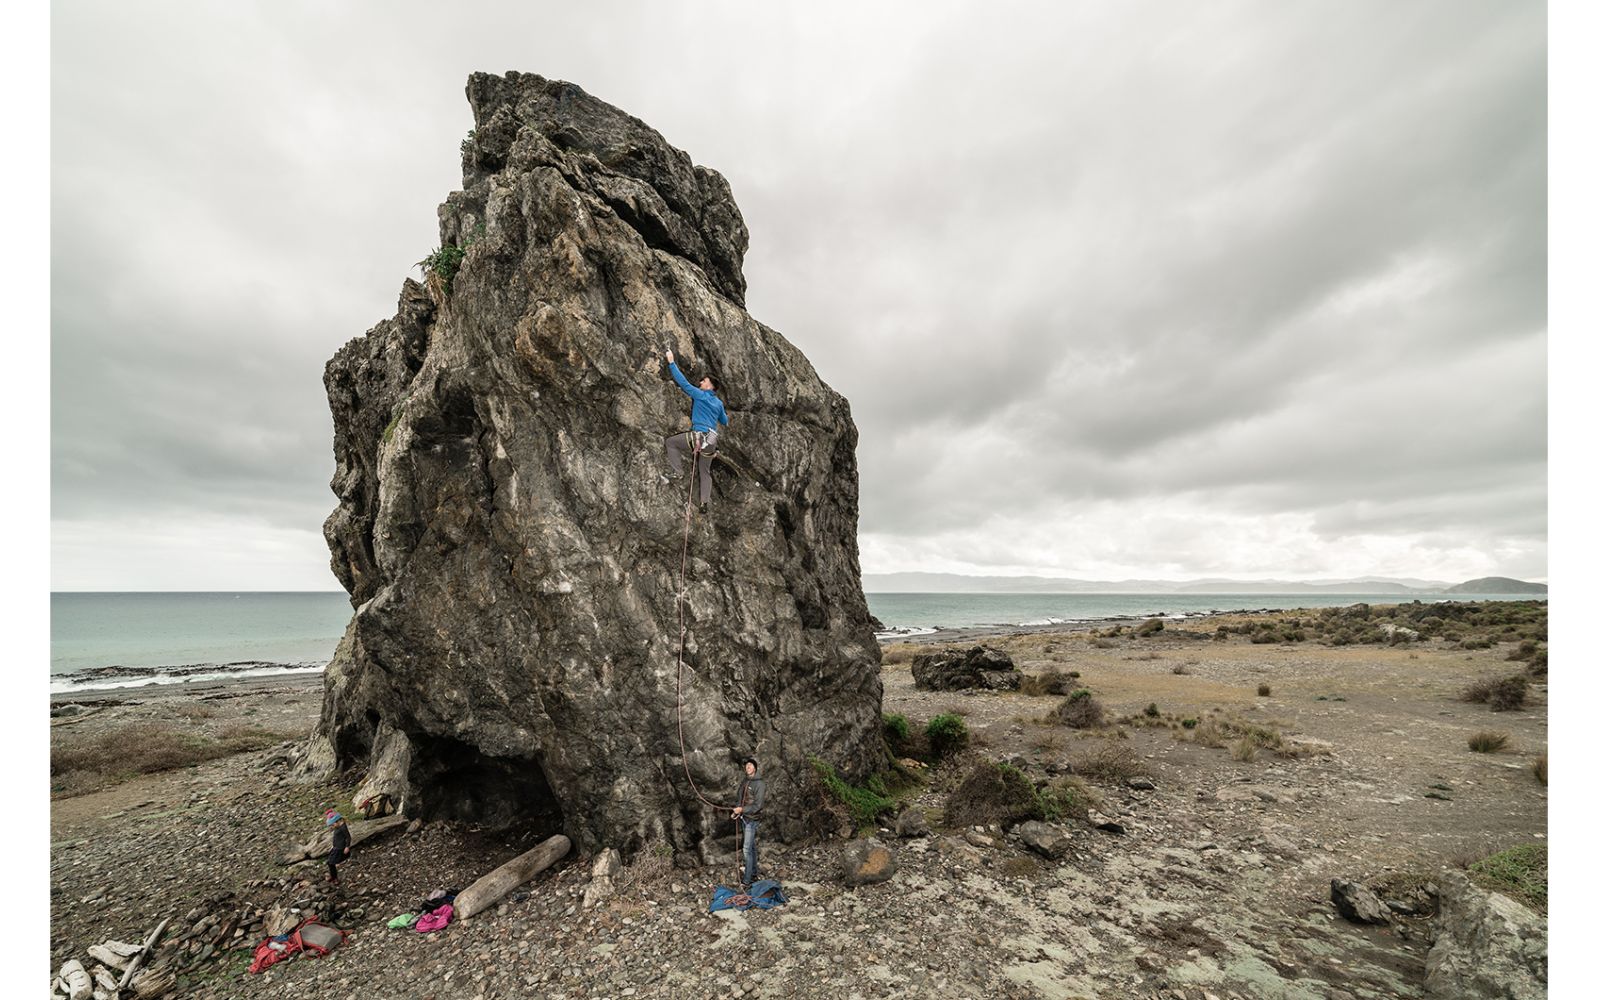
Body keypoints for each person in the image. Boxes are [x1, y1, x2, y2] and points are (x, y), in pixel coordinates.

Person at [659, 348, 728, 512]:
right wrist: (717, 413)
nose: (700, 383)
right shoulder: (718, 404)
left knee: (671, 443)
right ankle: (704, 503)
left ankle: (678, 472)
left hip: (699, 435)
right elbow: (724, 421)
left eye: (703, 381)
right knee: (704, 470)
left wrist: (671, 362)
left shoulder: (700, 395)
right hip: (711, 439)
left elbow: (683, 383)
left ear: (710, 385)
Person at [731, 756, 765, 888]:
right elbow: (740, 797)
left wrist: (742, 809)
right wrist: (737, 811)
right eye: (746, 766)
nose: (747, 767)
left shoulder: (760, 784)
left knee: (746, 850)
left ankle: (747, 881)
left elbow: (758, 806)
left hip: (752, 820)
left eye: (750, 765)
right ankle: (754, 874)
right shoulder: (745, 781)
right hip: (744, 818)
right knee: (751, 848)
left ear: (755, 768)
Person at [325, 809, 351, 885]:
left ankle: (334, 878)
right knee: (329, 862)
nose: (332, 827)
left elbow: (348, 837)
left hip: (339, 848)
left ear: (338, 821)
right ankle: (333, 876)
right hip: (335, 847)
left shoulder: (343, 827)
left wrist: (347, 847)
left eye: (333, 825)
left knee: (331, 863)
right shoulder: (338, 827)